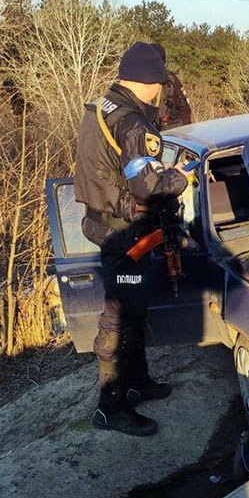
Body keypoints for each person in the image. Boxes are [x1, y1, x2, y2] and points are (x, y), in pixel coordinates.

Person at [74, 41, 193, 436]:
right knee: (119, 319)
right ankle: (110, 407)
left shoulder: (105, 104)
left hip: (105, 222)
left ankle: (137, 384)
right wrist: (181, 178)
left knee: (134, 309)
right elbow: (147, 185)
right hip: (122, 233)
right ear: (153, 83)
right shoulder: (133, 123)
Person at [149, 43, 193, 130]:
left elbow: (185, 110)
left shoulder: (171, 80)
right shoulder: (140, 81)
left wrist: (181, 132)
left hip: (171, 132)